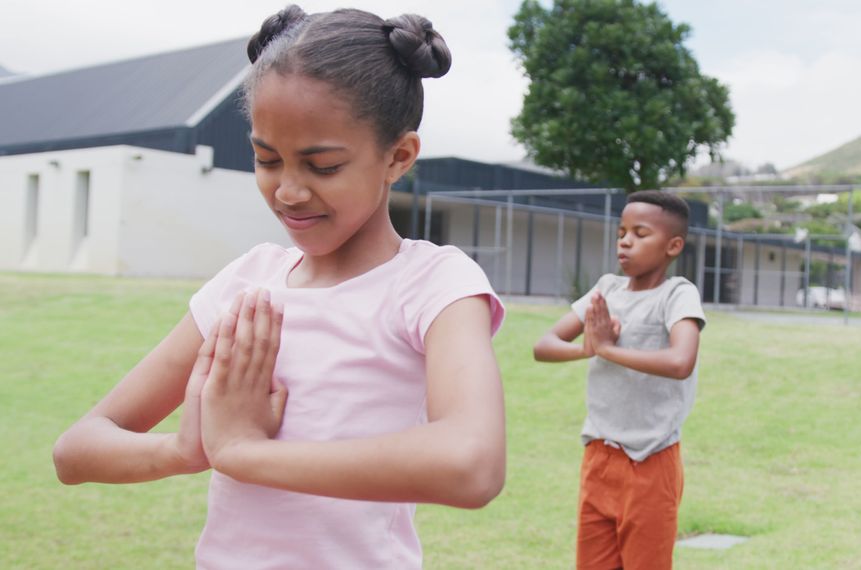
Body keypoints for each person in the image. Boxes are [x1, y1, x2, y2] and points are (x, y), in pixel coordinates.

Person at [52, 6, 506, 568]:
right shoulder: (246, 284)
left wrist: (244, 452)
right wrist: (181, 450)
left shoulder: (432, 284)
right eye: (267, 159)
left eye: (323, 167)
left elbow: (472, 463)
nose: (288, 192)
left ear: (398, 156)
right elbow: (75, 450)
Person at [533, 190, 706, 570]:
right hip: (599, 457)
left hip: (650, 461)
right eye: (622, 232)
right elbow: (544, 345)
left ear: (673, 245)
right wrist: (588, 349)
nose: (625, 241)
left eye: (640, 233)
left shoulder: (677, 295)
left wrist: (609, 350)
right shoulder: (606, 289)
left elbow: (681, 361)